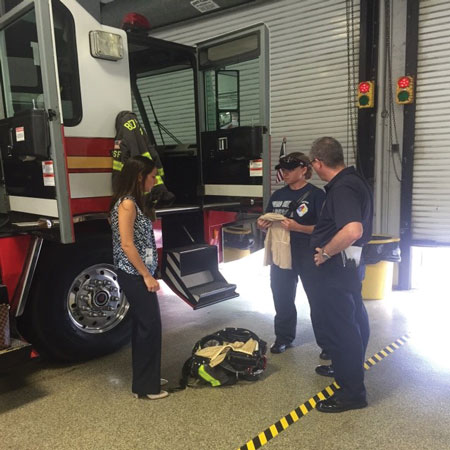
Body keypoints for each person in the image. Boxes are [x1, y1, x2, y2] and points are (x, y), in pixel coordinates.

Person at [309, 137, 373, 413]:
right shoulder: (353, 179)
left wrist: (325, 253)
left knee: (342, 327)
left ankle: (352, 393)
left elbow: (352, 230)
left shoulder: (343, 187)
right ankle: (347, 368)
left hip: (337, 267)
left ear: (318, 163)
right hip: (349, 265)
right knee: (355, 317)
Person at [257, 152, 328, 357]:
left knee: (318, 300)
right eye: (282, 170)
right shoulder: (278, 196)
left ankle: (327, 344)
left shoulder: (317, 195)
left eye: (289, 169)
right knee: (282, 297)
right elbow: (268, 224)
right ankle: (283, 338)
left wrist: (298, 227)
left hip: (308, 254)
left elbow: (324, 230)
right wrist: (263, 226)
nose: (284, 173)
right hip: (281, 253)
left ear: (303, 169)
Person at [110, 155, 169, 400]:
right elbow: (126, 244)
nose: (154, 180)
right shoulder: (127, 205)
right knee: (150, 326)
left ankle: (147, 376)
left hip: (137, 273)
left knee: (144, 326)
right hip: (134, 274)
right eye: (152, 176)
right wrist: (146, 275)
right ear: (139, 176)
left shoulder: (132, 202)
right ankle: (146, 387)